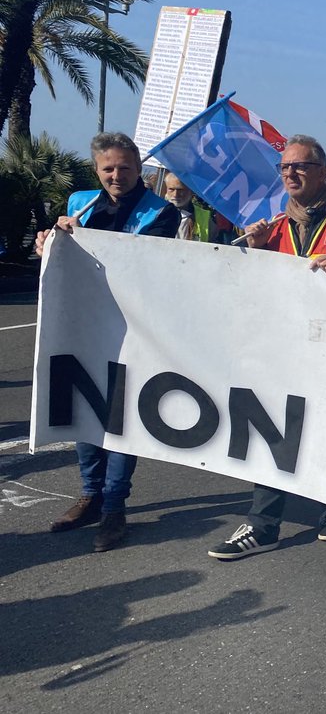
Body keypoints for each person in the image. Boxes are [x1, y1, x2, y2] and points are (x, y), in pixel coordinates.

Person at [208, 135, 326, 560]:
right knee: (273, 429)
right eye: (285, 167)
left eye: (301, 166)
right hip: (284, 347)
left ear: (322, 172)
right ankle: (262, 524)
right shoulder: (271, 227)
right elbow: (251, 290)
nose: (291, 173)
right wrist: (254, 252)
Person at [35, 132, 181, 552]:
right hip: (81, 325)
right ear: (97, 170)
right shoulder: (78, 203)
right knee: (83, 408)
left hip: (131, 329)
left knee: (118, 417)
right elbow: (63, 261)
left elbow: (143, 263)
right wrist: (51, 242)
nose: (117, 175)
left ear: (140, 168)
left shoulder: (161, 213)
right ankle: (90, 494)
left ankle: (115, 505)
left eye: (125, 167)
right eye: (108, 168)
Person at [163, 173, 236, 243]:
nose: (175, 194)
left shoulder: (205, 217)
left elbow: (213, 244)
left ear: (191, 191)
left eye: (180, 190)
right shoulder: (157, 212)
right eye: (171, 189)